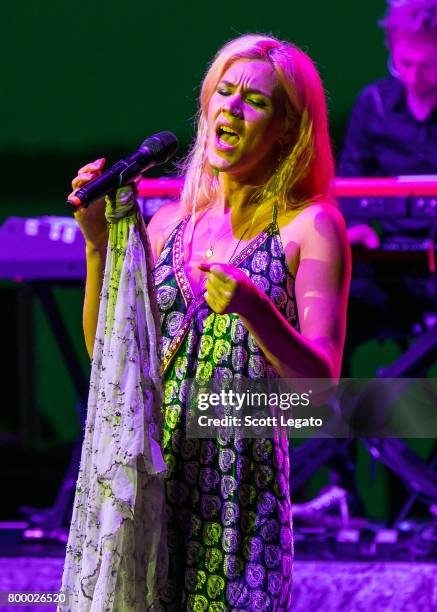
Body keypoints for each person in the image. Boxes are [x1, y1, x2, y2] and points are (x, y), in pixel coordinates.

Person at [71, 34, 350, 611]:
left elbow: (322, 388)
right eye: (224, 92)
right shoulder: (168, 221)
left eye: (256, 101)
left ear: (288, 130)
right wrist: (98, 244)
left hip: (235, 499)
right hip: (147, 483)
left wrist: (255, 308)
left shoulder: (310, 229)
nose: (232, 107)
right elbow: (110, 360)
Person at [339, 0, 437, 248]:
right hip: (386, 254)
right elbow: (351, 180)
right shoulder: (374, 103)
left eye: (428, 66)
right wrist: (357, 228)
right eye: (405, 63)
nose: (414, 77)